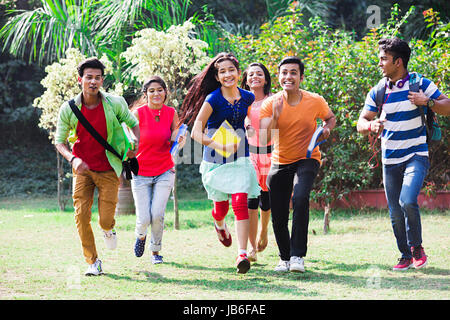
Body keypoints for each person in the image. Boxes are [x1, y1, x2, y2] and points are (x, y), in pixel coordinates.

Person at [357, 37, 450, 271]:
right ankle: (405, 255)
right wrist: (371, 126)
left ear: (398, 62)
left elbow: (447, 106)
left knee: (407, 200)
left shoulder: (420, 84)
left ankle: (417, 248)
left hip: (416, 154)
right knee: (395, 212)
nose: (379, 64)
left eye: (383, 59)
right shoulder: (379, 90)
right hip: (390, 160)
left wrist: (427, 101)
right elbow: (361, 122)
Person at [55, 57, 140, 276]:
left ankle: (108, 229)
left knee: (104, 219)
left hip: (109, 168)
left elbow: (134, 124)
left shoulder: (115, 103)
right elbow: (59, 141)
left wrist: (134, 147)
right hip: (82, 169)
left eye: (97, 78)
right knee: (81, 215)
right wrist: (72, 159)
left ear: (102, 80)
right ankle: (92, 261)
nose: (93, 81)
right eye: (88, 77)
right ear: (80, 79)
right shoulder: (69, 108)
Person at [179, 52, 261, 274]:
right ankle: (219, 224)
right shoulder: (212, 99)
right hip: (215, 160)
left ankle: (241, 253)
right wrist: (218, 145)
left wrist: (248, 125)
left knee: (240, 200)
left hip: (241, 157)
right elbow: (196, 132)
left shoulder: (248, 97)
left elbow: (246, 116)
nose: (227, 75)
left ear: (238, 71)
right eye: (222, 71)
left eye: (231, 70)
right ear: (216, 76)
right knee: (221, 208)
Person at [260, 56, 336, 273]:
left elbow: (330, 118)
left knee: (301, 197)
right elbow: (265, 139)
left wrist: (326, 128)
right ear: (279, 77)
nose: (288, 77)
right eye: (284, 73)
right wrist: (274, 118)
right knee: (279, 212)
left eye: (293, 72)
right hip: (280, 161)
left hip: (308, 157)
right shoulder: (270, 104)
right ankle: (284, 258)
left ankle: (297, 256)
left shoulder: (315, 100)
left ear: (301, 77)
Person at [130, 76, 186, 265]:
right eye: (151, 91)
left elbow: (174, 136)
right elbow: (128, 138)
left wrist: (179, 139)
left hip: (164, 169)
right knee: (144, 216)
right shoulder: (137, 114)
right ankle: (140, 236)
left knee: (157, 214)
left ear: (165, 92)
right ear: (145, 94)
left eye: (160, 90)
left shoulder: (171, 113)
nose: (156, 94)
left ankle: (155, 251)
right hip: (140, 171)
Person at [240, 62, 273, 262]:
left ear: (266, 79)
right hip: (249, 156)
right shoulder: (242, 101)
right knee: (250, 201)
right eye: (251, 74)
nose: (255, 77)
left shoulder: (274, 100)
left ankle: (264, 231)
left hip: (271, 155)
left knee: (266, 200)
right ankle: (251, 248)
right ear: (246, 79)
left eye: (259, 74)